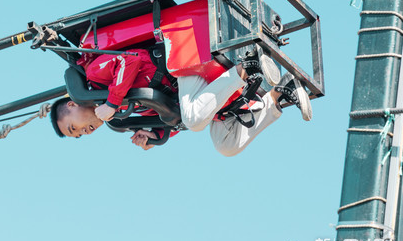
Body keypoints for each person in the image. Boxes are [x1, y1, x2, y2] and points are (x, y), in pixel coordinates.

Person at [50, 47, 311, 156]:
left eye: (73, 127)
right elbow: (169, 117)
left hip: (180, 68)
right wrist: (154, 135)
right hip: (186, 92)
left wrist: (112, 98)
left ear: (71, 104)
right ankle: (279, 93)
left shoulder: (96, 77)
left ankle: (246, 66)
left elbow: (129, 58)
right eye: (79, 136)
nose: (83, 131)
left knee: (195, 119)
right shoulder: (118, 115)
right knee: (226, 146)